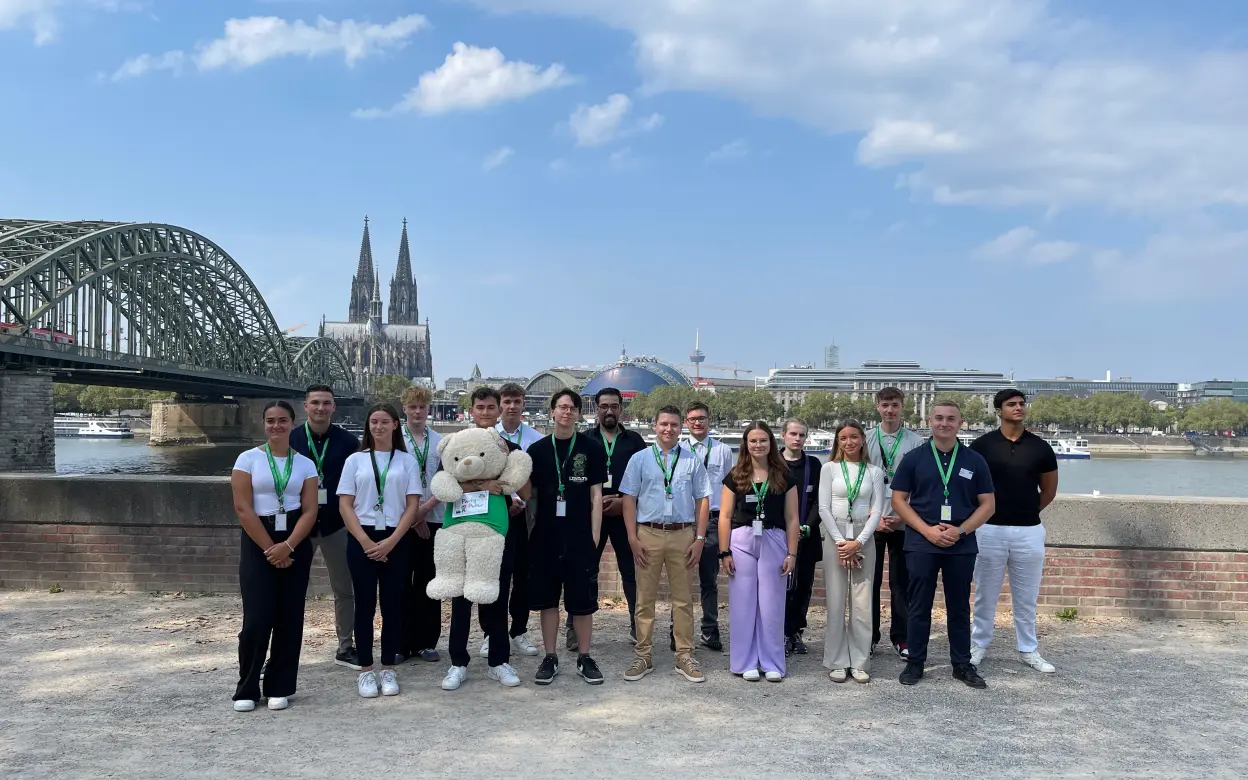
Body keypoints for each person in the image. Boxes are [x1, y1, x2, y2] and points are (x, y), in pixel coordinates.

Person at [890, 400, 995, 688]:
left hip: (961, 545)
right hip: (921, 542)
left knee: (959, 606)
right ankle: (915, 663)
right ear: (929, 421)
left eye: (951, 418)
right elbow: (898, 500)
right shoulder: (914, 458)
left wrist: (960, 531)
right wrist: (927, 530)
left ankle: (962, 664)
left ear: (960, 423)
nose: (944, 423)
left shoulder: (975, 460)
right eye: (938, 418)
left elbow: (988, 505)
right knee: (918, 605)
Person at [229, 400, 319, 712]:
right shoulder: (247, 459)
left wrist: (289, 546)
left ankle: (280, 685)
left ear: (292, 423)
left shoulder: (305, 464)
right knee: (256, 618)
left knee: (289, 618)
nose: (276, 426)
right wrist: (271, 548)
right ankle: (247, 687)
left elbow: (310, 511)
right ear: (264, 424)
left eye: (282, 420)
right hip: (258, 540)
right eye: (270, 421)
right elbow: (243, 507)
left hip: (294, 539)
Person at [442, 387, 533, 691]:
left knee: (496, 595)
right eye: (479, 407)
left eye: (490, 407)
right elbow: (443, 483)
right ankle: (457, 662)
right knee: (460, 600)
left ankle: (498, 661)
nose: (484, 412)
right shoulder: (454, 445)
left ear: (498, 412)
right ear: (471, 410)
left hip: (497, 532)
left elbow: (527, 491)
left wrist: (506, 488)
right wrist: (483, 483)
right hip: (462, 531)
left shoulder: (508, 447)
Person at [969, 389, 1059, 674]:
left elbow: (1048, 490)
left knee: (1027, 594)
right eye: (1011, 404)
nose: (1018, 408)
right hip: (988, 529)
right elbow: (970, 489)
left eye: (1021, 403)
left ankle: (1028, 649)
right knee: (985, 592)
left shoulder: (1040, 447)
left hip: (1029, 531)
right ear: (999, 410)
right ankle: (978, 644)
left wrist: (1026, 510)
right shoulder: (981, 446)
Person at [619, 405, 711, 683]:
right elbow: (629, 499)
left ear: (680, 426)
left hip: (683, 534)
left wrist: (699, 538)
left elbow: (703, 499)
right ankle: (643, 655)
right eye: (663, 424)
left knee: (683, 600)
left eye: (673, 424)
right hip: (648, 533)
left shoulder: (692, 460)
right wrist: (632, 537)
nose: (668, 429)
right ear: (654, 426)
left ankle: (684, 655)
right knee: (644, 599)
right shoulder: (640, 459)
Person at [338, 403, 423, 698]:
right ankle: (365, 669)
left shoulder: (406, 461)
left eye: (384, 421)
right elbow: (345, 504)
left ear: (395, 425)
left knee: (393, 606)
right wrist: (364, 541)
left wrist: (392, 540)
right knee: (364, 606)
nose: (378, 427)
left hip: (396, 538)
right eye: (373, 422)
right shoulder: (355, 461)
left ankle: (388, 668)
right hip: (361, 536)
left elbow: (412, 504)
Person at [527, 389, 607, 685]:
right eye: (562, 407)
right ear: (552, 411)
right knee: (548, 601)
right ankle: (551, 656)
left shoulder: (592, 447)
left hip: (579, 535)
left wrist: (595, 534)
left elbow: (596, 495)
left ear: (578, 413)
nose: (567, 412)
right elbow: (529, 496)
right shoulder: (537, 450)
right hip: (546, 537)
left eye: (573, 407)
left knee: (582, 601)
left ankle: (584, 657)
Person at [288, 384, 362, 670]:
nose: (321, 408)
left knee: (344, 590)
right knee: (291, 591)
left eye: (326, 403)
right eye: (315, 403)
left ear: (334, 407)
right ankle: (284, 649)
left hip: (336, 525)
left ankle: (345, 646)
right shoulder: (291, 439)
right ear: (305, 406)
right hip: (298, 526)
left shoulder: (348, 442)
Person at [718, 422, 798, 682]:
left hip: (774, 539)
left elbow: (792, 518)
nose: (758, 445)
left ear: (771, 443)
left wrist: (792, 553)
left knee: (772, 604)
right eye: (753, 441)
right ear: (746, 444)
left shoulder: (783, 476)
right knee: (743, 604)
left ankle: (772, 661)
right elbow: (725, 516)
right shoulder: (735, 475)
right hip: (741, 539)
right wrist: (724, 552)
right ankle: (745, 661)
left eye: (763, 440)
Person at [572, 387, 648, 649]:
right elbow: (576, 478)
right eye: (604, 406)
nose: (609, 411)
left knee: (631, 571)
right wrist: (595, 502)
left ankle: (637, 624)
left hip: (624, 513)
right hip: (591, 514)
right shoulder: (583, 440)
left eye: (614, 406)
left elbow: (644, 479)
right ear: (596, 409)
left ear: (621, 409)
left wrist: (621, 501)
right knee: (584, 570)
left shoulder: (634, 441)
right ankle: (575, 626)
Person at [818, 421, 886, 683]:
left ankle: (859, 661)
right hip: (835, 536)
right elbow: (823, 508)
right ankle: (836, 660)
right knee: (836, 601)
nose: (849, 442)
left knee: (861, 602)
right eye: (843, 438)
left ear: (862, 440)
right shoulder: (829, 469)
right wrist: (840, 542)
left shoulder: (874, 472)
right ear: (837, 441)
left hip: (863, 537)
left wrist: (858, 542)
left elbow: (877, 510)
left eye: (854, 437)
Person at [865, 386, 925, 659]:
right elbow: (857, 482)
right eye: (885, 405)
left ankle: (901, 638)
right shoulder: (865, 439)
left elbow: (922, 485)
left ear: (903, 407)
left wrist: (904, 515)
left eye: (895, 405)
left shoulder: (916, 442)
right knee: (871, 582)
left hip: (904, 522)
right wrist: (871, 516)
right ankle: (869, 636)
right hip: (872, 522)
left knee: (902, 585)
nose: (890, 410)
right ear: (877, 407)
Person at [490, 382, 543, 659]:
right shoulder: (488, 437)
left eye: (517, 401)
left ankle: (519, 630)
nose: (512, 406)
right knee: (495, 576)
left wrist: (522, 503)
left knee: (523, 575)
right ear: (501, 404)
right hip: (495, 515)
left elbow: (537, 480)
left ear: (524, 404)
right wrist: (508, 501)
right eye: (507, 401)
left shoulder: (535, 438)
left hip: (525, 517)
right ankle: (491, 632)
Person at [683, 401, 735, 652]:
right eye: (692, 419)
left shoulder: (723, 450)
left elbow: (729, 486)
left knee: (709, 578)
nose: (697, 423)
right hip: (685, 518)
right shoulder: (679, 450)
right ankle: (677, 628)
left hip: (713, 520)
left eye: (701, 418)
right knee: (680, 578)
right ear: (686, 422)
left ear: (709, 420)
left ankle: (709, 627)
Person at [399, 385, 444, 664]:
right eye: (412, 407)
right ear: (404, 409)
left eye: (422, 407)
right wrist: (414, 517)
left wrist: (425, 510)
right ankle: (401, 642)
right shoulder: (395, 441)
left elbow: (446, 481)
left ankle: (427, 641)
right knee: (401, 582)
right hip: (404, 522)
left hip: (434, 518)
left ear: (429, 409)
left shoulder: (440, 442)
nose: (417, 412)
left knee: (430, 582)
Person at [779, 418, 823, 655]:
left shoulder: (814, 465)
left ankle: (796, 631)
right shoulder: (772, 463)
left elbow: (820, 500)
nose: (797, 439)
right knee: (781, 586)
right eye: (793, 434)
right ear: (783, 435)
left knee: (803, 586)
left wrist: (807, 525)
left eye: (802, 435)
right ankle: (781, 631)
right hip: (777, 537)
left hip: (807, 536)